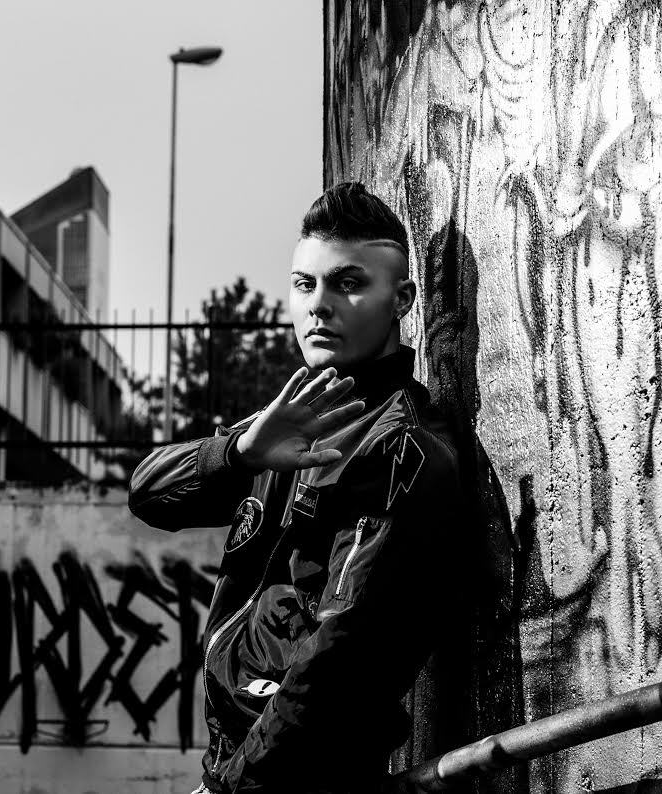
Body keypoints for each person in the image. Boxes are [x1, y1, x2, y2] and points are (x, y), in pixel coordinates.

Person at [129, 182, 468, 793]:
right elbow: (148, 494)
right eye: (304, 284)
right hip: (236, 764)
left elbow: (337, 664)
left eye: (348, 283)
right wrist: (240, 452)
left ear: (402, 299)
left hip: (299, 778)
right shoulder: (288, 424)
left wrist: (232, 788)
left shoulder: (402, 453)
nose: (318, 306)